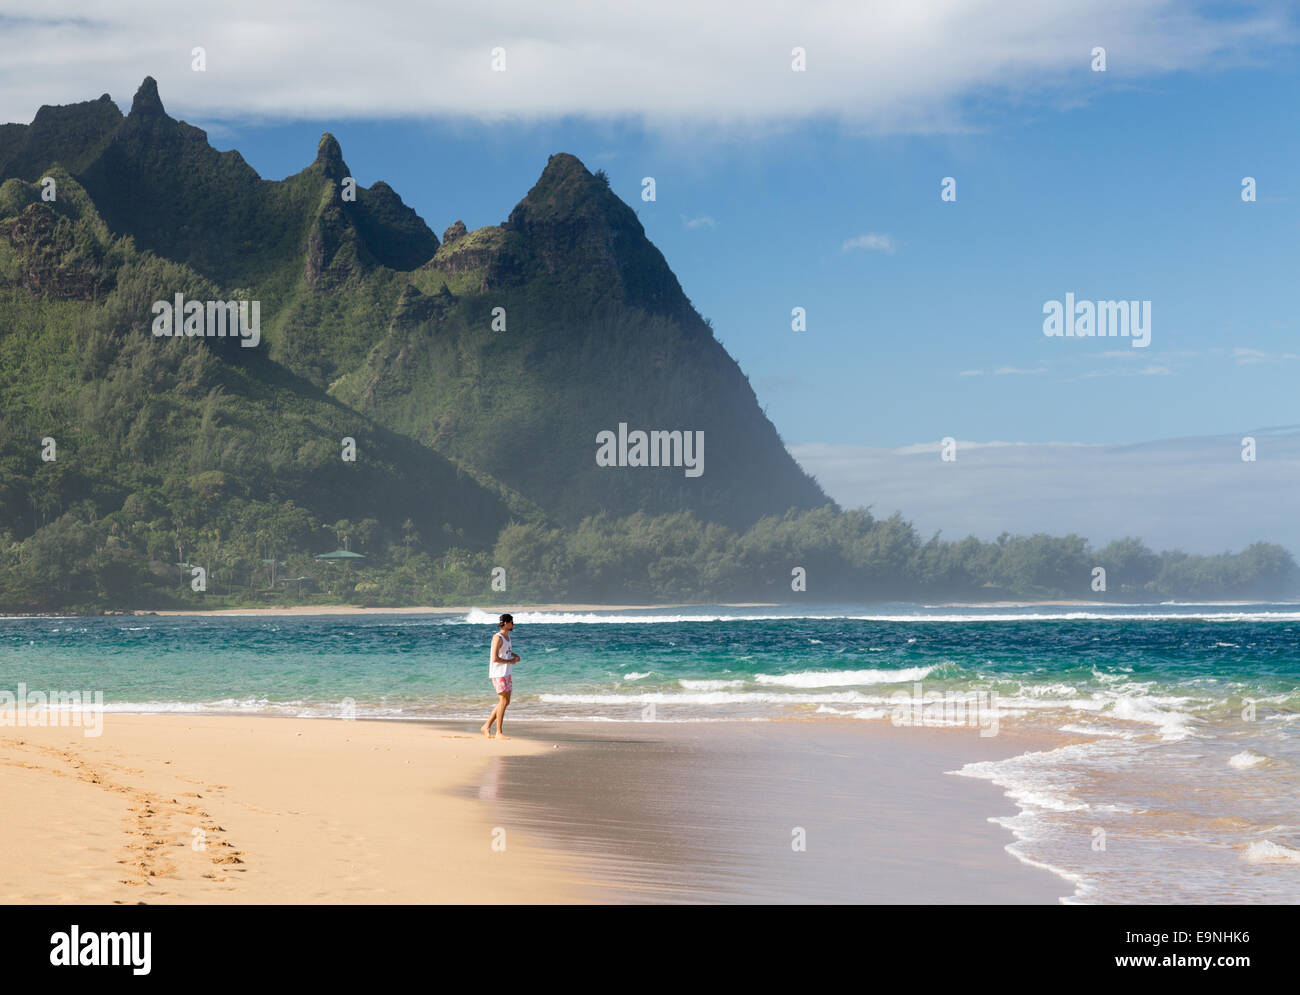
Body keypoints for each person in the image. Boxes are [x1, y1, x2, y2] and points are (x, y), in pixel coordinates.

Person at [481, 613, 520, 739]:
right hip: (498, 673)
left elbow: (505, 651)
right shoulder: (497, 637)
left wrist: (514, 655)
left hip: (507, 672)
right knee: (503, 701)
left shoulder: (507, 636)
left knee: (506, 701)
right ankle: (498, 732)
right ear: (505, 623)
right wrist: (510, 661)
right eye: (511, 622)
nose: (513, 624)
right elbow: (495, 658)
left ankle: (486, 726)